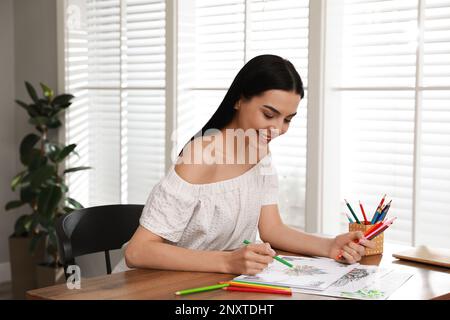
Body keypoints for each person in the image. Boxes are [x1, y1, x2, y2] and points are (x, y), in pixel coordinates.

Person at [124, 54, 375, 275]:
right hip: (155, 285)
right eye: (268, 114)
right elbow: (138, 252)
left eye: (287, 119)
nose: (277, 129)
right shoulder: (200, 155)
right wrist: (228, 262)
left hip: (213, 283)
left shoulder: (260, 152)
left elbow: (272, 228)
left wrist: (330, 245)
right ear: (238, 100)